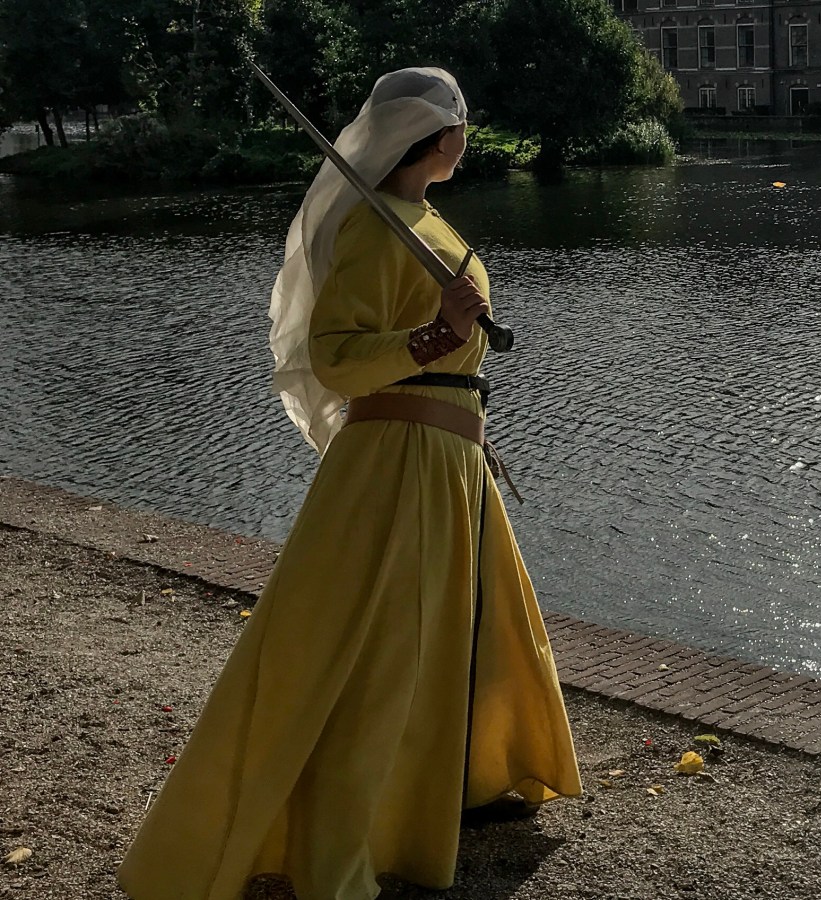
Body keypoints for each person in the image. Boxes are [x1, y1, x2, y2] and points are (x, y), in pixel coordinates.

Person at [117, 67, 582, 900]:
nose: (467, 137)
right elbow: (337, 359)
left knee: (467, 628)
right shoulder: (376, 231)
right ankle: (344, 828)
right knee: (380, 647)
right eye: (461, 124)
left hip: (449, 458)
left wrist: (445, 343)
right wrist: (433, 337)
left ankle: (460, 783)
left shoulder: (423, 220)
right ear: (437, 137)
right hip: (399, 459)